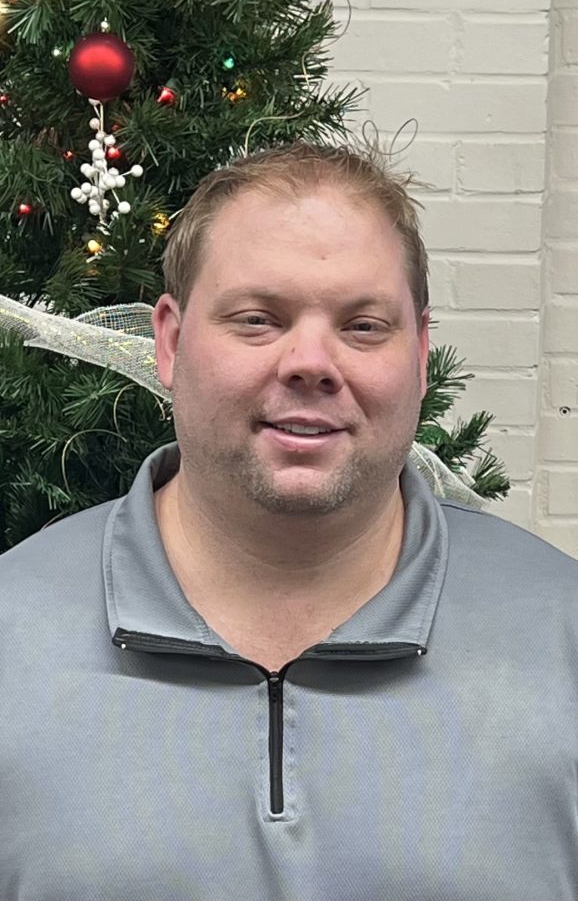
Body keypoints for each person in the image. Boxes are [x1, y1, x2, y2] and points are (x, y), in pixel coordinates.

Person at [1, 142, 577, 901]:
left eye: (364, 326)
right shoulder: (12, 632)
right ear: (170, 342)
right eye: (258, 319)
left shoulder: (563, 637)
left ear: (421, 352)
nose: (312, 361)